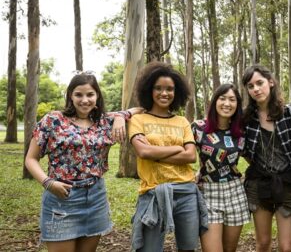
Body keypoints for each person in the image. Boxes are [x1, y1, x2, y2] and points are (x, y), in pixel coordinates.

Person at [25, 71, 142, 252]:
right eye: (79, 94)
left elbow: (140, 109)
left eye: (90, 94)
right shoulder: (53, 120)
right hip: (61, 198)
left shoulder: (104, 121)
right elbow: (31, 159)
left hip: (96, 198)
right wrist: (48, 183)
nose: (84, 100)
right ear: (70, 96)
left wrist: (120, 115)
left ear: (97, 96)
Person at [128, 61, 207, 252]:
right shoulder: (138, 120)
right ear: (149, 90)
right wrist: (176, 149)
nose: (164, 93)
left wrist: (155, 154)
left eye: (170, 89)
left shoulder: (182, 122)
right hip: (154, 192)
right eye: (158, 88)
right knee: (149, 249)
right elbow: (143, 152)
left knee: (188, 248)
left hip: (186, 192)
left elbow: (190, 157)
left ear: (177, 92)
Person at [241, 64, 291, 252]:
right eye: (250, 86)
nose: (255, 89)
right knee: (262, 243)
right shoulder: (246, 118)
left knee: (286, 246)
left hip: (287, 185)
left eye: (259, 83)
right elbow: (239, 149)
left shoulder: (290, 114)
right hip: (259, 185)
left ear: (270, 83)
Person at [191, 84, 250, 252]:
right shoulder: (198, 127)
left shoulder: (241, 131)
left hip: (235, 192)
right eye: (222, 98)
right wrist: (196, 172)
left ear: (237, 105)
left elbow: (252, 159)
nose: (227, 103)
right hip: (208, 192)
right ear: (215, 101)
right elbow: (184, 152)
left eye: (232, 100)